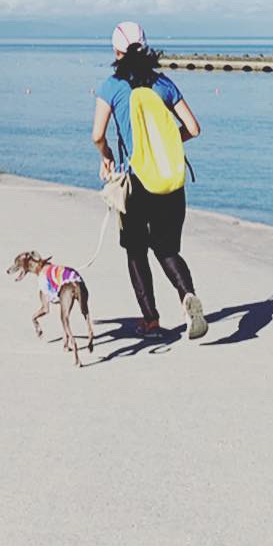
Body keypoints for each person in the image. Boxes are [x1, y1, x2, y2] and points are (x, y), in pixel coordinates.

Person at [91, 20, 207, 340]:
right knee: (167, 249)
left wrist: (107, 156)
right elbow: (194, 128)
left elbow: (97, 134)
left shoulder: (111, 86)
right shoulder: (164, 84)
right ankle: (187, 296)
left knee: (136, 250)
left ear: (116, 51)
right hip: (170, 180)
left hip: (136, 181)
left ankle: (151, 321)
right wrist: (166, 145)